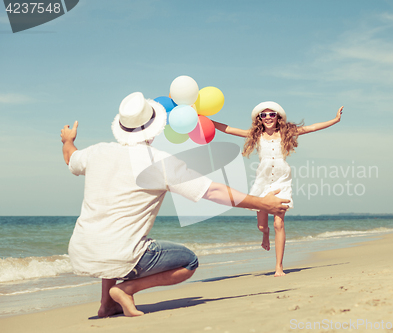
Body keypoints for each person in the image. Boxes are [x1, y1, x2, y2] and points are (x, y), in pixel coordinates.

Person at [60, 92, 289, 317]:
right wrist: (263, 203)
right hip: (122, 256)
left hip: (81, 252)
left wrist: (68, 140)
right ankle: (126, 289)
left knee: (114, 232)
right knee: (189, 261)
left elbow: (71, 157)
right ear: (155, 127)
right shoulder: (159, 161)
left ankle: (106, 304)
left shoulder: (98, 151)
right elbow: (213, 191)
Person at [213, 102, 343, 277]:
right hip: (262, 182)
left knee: (279, 223)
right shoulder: (255, 135)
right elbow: (229, 129)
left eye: (271, 114)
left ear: (277, 117)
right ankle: (265, 234)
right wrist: (206, 121)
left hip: (282, 181)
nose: (267, 118)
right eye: (263, 115)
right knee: (261, 226)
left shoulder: (286, 133)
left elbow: (311, 128)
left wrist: (335, 120)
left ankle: (279, 267)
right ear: (259, 119)